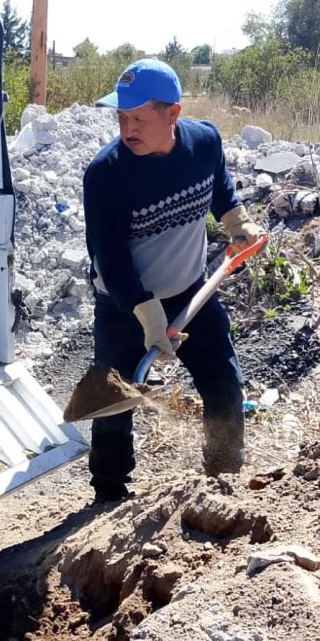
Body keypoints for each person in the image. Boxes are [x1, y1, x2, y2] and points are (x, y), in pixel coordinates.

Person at [82, 58, 263, 503]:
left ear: (173, 114)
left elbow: (217, 182)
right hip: (124, 303)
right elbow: (111, 259)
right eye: (122, 118)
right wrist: (148, 318)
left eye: (139, 117)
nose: (128, 129)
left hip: (190, 290)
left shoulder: (203, 141)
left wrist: (238, 221)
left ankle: (223, 476)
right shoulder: (106, 175)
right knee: (113, 400)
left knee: (223, 380)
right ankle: (108, 491)